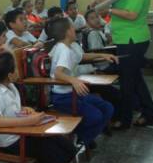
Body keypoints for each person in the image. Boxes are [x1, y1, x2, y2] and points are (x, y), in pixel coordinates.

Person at [0, 52, 77, 163]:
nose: (19, 70)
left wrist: (25, 110)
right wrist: (29, 121)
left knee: (62, 143)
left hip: (23, 133)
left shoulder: (11, 87)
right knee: (55, 154)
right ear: (9, 75)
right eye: (16, 67)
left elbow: (12, 109)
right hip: (12, 142)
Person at [90, 0, 153, 129]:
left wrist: (110, 9)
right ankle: (150, 115)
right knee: (135, 79)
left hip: (132, 41)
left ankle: (125, 119)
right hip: (127, 40)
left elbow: (132, 14)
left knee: (127, 81)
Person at [47, 17, 116, 147]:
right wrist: (74, 80)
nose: (76, 30)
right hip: (63, 97)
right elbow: (58, 72)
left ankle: (83, 138)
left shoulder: (65, 47)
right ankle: (81, 140)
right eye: (73, 28)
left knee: (107, 108)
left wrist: (103, 55)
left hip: (73, 94)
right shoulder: (64, 50)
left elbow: (81, 57)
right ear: (68, 32)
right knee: (95, 116)